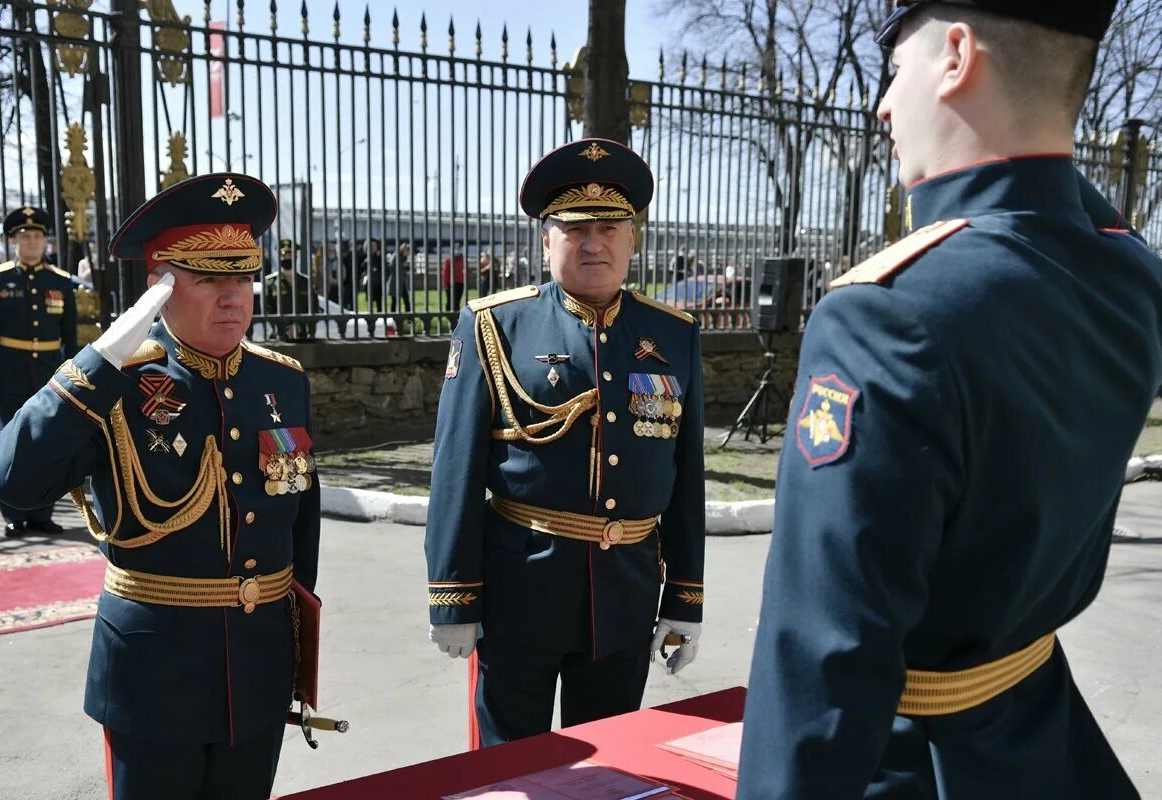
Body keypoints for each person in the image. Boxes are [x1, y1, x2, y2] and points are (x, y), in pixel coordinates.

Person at [736, 3, 1157, 798]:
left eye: (897, 72)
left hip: (918, 764)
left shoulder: (886, 314)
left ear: (958, 55)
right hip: (1048, 741)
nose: (885, 105)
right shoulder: (1130, 279)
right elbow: (1076, 210)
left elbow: (826, 663)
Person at [0, 173, 321, 800]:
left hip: (256, 671)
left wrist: (295, 661)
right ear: (160, 285)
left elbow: (301, 528)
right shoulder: (113, 384)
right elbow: (11, 482)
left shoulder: (281, 381)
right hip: (152, 678)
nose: (233, 298)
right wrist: (96, 364)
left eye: (243, 277)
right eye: (208, 278)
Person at [424, 138, 706, 747]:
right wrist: (453, 596)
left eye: (610, 227)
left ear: (633, 239)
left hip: (626, 594)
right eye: (574, 228)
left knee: (607, 765)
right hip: (519, 595)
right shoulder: (495, 325)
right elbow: (456, 472)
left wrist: (685, 596)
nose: (593, 243)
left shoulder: (673, 334)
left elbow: (686, 474)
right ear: (546, 240)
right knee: (509, 772)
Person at [0, 206, 77, 536]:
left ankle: (42, 513)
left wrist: (76, 379)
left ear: (45, 241)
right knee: (11, 445)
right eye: (24, 237)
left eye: (37, 237)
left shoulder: (59, 281)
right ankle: (13, 515)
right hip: (10, 373)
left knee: (49, 441)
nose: (32, 242)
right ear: (13, 242)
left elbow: (70, 337)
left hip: (49, 373)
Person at [263, 238, 315, 341]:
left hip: (302, 336)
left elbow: (314, 307)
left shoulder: (306, 282)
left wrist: (299, 326)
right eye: (284, 255)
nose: (287, 258)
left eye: (290, 255)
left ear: (295, 257)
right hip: (278, 337)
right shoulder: (270, 282)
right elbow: (267, 309)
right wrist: (284, 329)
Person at [386, 241, 412, 314]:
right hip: (395, 281)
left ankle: (409, 317)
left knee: (406, 299)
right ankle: (393, 316)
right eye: (407, 251)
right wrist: (403, 267)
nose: (408, 253)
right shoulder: (396, 256)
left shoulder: (404, 258)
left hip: (402, 282)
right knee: (395, 300)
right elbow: (392, 267)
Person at [441, 242, 467, 311]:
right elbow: (445, 272)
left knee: (457, 301)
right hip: (450, 283)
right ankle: (449, 315)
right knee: (450, 300)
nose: (458, 249)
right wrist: (445, 284)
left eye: (459, 248)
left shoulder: (463, 259)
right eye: (456, 248)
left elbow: (466, 269)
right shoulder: (448, 259)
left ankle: (456, 314)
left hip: (460, 283)